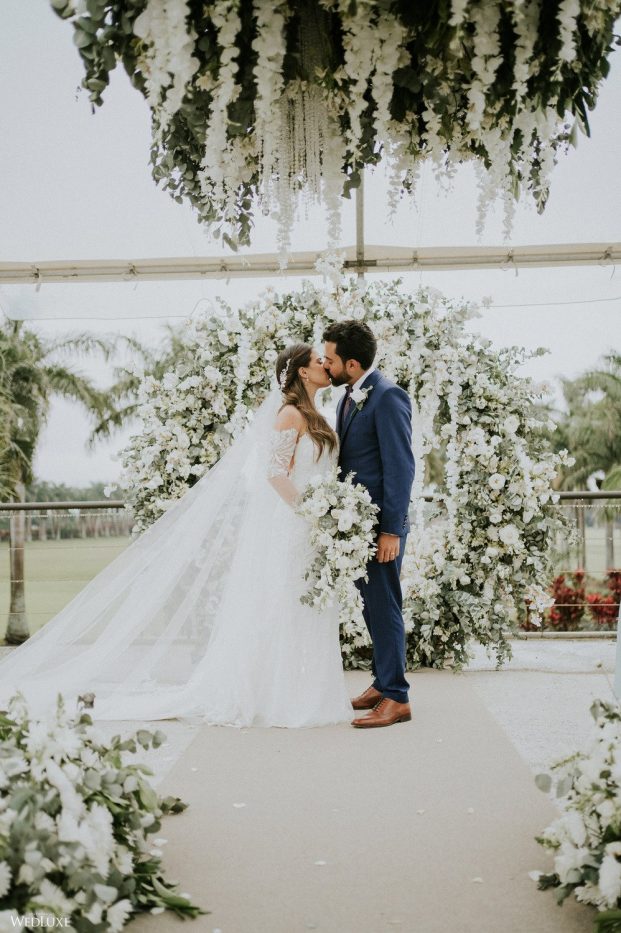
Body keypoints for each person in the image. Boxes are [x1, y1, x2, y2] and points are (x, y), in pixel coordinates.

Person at [0, 343, 353, 728]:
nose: (325, 364)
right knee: (284, 605)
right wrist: (311, 512)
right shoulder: (289, 414)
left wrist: (330, 511)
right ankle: (278, 696)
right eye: (318, 360)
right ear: (302, 371)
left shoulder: (316, 414)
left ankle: (302, 691)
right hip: (296, 524)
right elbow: (274, 473)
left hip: (313, 528)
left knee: (306, 606)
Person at [323, 321, 415, 729]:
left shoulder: (388, 396)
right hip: (358, 525)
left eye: (330, 359)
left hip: (381, 527)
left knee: (385, 605)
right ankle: (382, 682)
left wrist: (391, 530)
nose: (325, 365)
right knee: (371, 605)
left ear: (352, 364)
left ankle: (397, 697)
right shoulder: (349, 397)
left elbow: (401, 466)